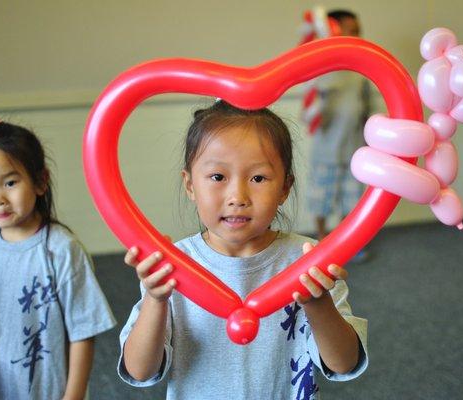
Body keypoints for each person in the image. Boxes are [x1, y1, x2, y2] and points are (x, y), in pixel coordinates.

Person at [118, 100, 368, 399]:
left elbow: (343, 364)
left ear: (285, 188)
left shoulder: (308, 260)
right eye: (218, 177)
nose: (238, 196)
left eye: (258, 178)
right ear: (190, 185)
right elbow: (139, 371)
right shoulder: (173, 266)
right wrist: (156, 300)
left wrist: (318, 304)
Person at [0, 121, 116, 399]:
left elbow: (83, 331)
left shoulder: (61, 249)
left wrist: (74, 395)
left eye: (10, 182)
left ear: (40, 182)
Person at [306, 9, 371, 262]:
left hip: (354, 150)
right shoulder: (321, 71)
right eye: (351, 30)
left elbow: (367, 109)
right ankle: (322, 239)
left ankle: (346, 243)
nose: (357, 35)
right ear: (334, 31)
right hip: (326, 151)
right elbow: (310, 114)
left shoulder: (360, 74)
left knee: (351, 200)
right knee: (321, 198)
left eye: (358, 30)